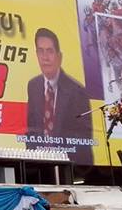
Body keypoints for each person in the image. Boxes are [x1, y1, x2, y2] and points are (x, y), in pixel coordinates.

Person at [26, 27, 93, 165]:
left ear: (59, 56)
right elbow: (32, 127)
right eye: (40, 51)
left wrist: (60, 151)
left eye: (50, 51)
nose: (45, 57)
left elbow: (84, 136)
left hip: (70, 163)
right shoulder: (33, 86)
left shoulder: (77, 91)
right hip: (40, 162)